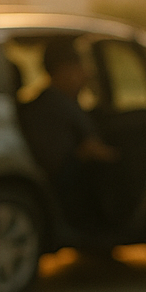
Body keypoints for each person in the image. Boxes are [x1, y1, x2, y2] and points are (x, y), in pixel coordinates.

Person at [18, 37, 119, 228]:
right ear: (65, 70)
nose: (86, 75)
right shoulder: (56, 106)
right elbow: (59, 164)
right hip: (63, 192)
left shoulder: (49, 102)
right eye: (80, 67)